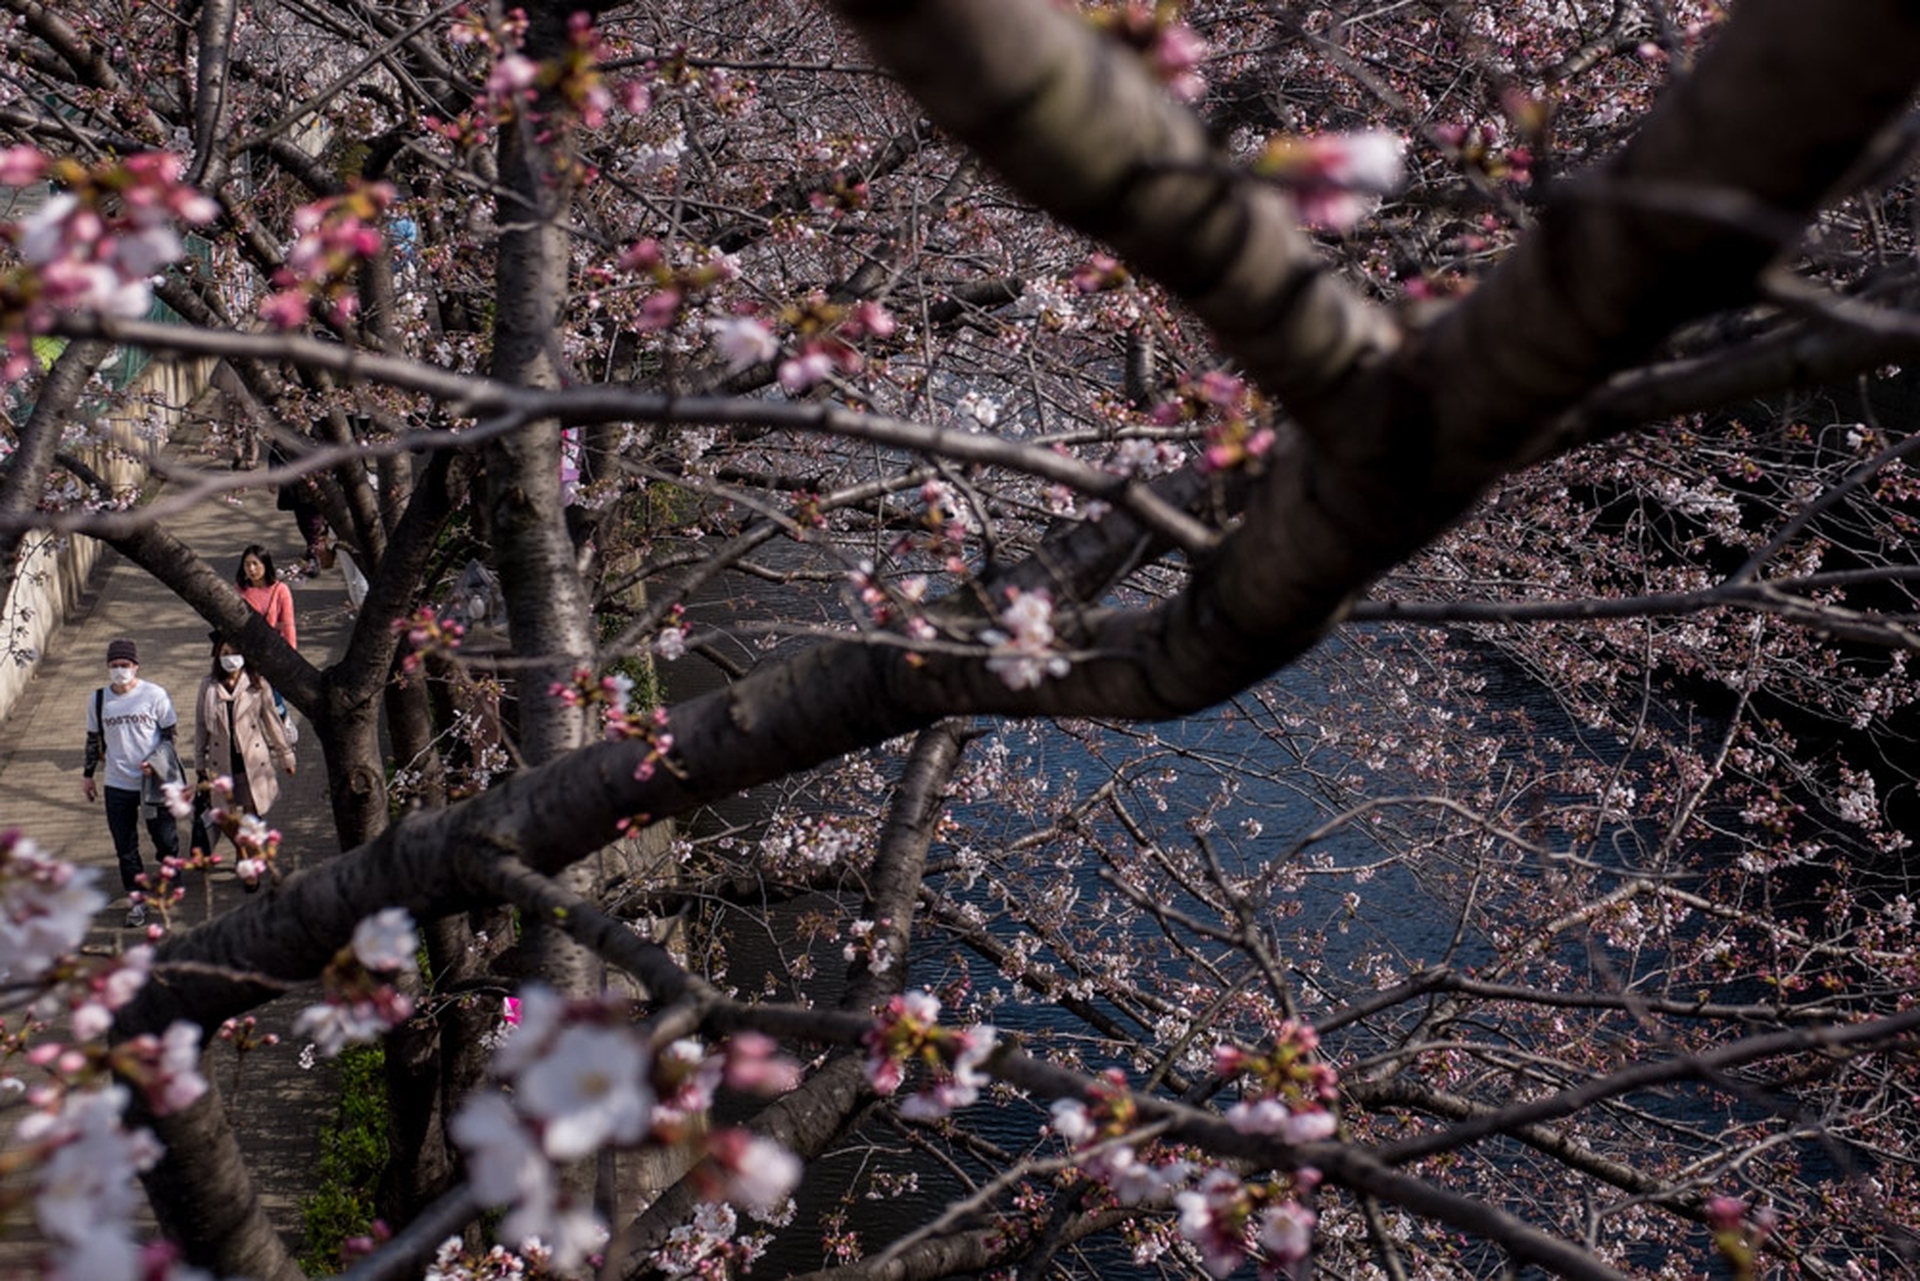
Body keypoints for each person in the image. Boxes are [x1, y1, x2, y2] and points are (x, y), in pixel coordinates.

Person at [82, 638, 179, 927]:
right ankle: (137, 900)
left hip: (151, 782)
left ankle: (170, 864)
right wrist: (88, 775)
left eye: (125, 665)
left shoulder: (154, 694)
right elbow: (92, 739)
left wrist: (157, 762)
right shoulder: (98, 699)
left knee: (163, 836)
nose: (120, 670)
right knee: (125, 846)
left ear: (136, 666)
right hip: (116, 783)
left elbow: (170, 735)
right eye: (114, 666)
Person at [194, 635, 295, 854]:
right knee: (223, 815)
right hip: (221, 761)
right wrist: (199, 759)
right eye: (226, 654)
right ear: (217, 656)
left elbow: (272, 723)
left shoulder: (257, 684)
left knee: (252, 814)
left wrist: (285, 755)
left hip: (251, 760)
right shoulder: (208, 686)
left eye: (235, 653)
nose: (231, 658)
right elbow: (201, 724)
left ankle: (250, 864)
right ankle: (245, 849)